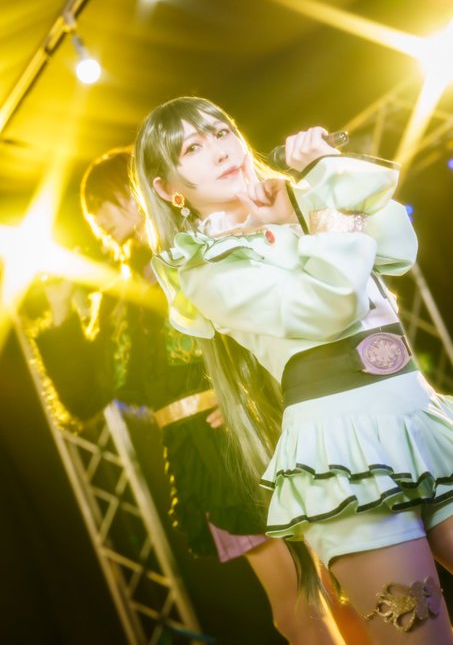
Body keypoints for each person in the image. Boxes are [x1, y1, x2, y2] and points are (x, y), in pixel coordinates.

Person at [132, 96, 453, 645]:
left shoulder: (298, 202)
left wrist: (326, 174)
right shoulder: (203, 266)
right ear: (168, 190)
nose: (220, 150)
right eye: (192, 148)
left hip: (420, 417)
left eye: (221, 131)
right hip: (346, 458)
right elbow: (329, 306)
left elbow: (397, 249)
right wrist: (307, 217)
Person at [33, 147, 368, 645]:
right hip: (196, 452)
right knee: (297, 597)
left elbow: (263, 325)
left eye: (103, 203)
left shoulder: (195, 250)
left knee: (328, 577)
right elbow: (85, 399)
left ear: (136, 192)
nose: (97, 220)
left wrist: (240, 396)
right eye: (92, 213)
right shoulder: (114, 297)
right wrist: (60, 314)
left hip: (247, 432)